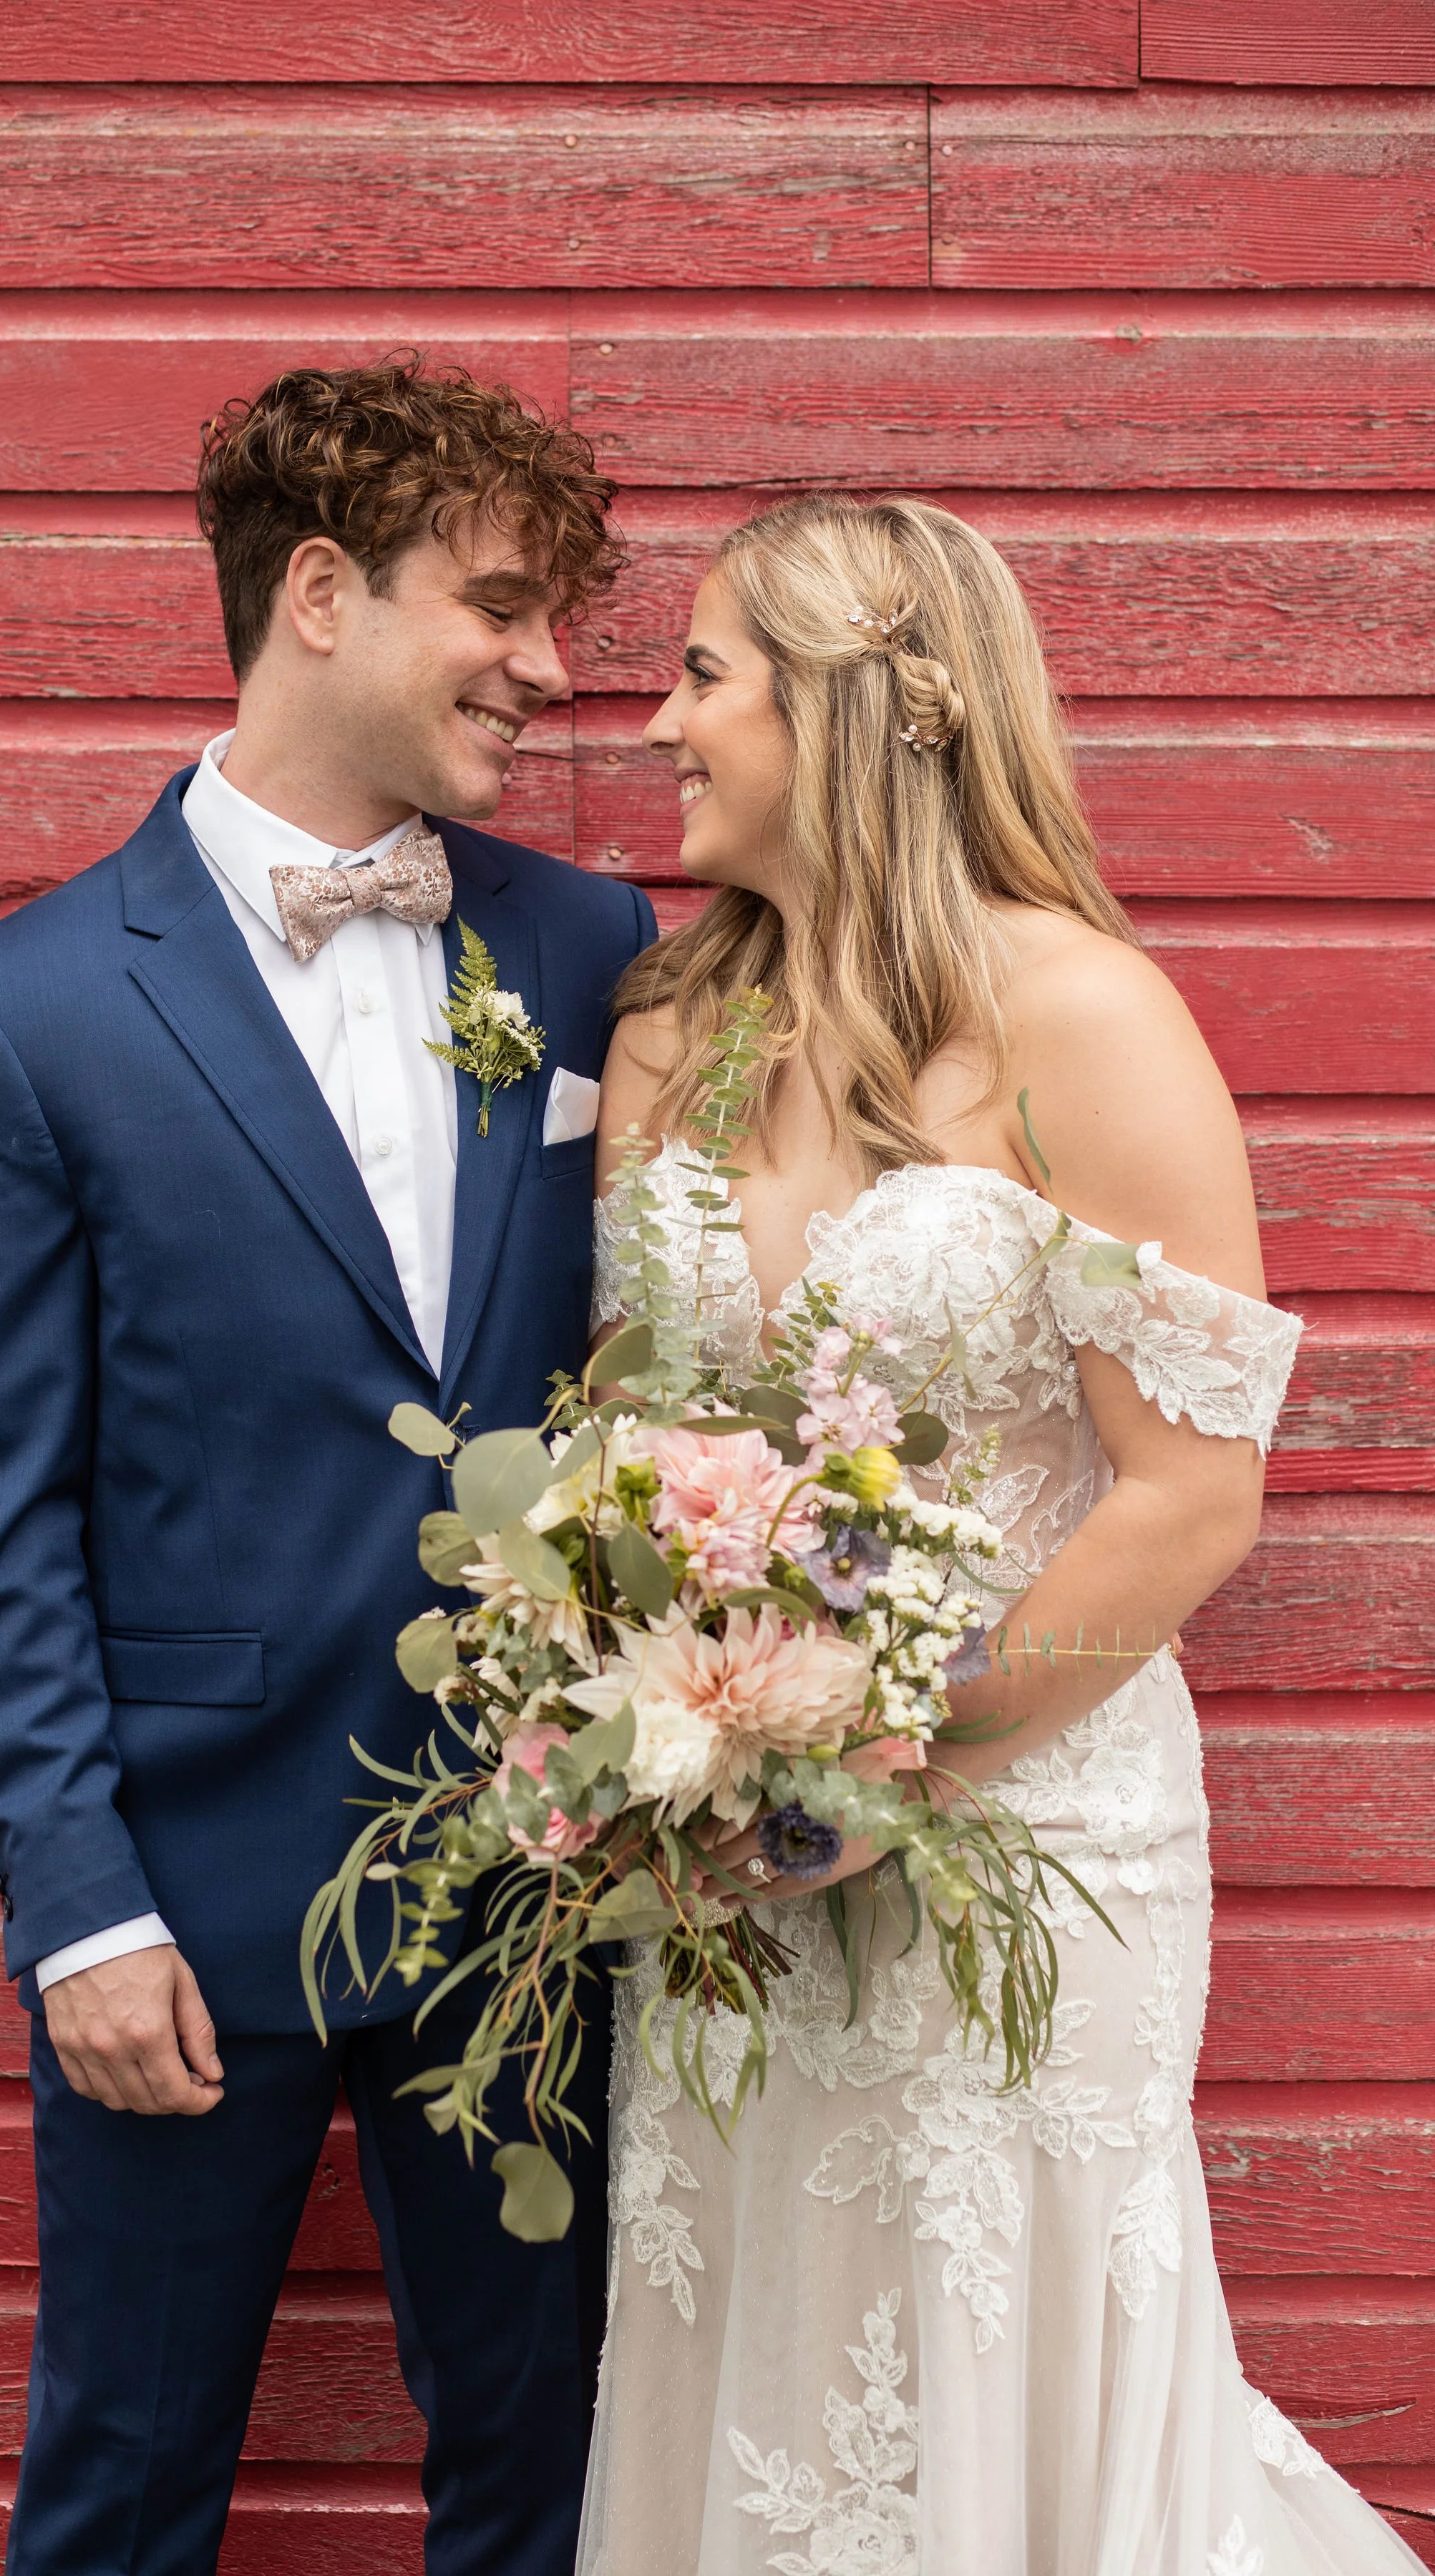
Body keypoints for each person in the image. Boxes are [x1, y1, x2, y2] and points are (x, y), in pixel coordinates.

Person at [578, 494, 1419, 2575]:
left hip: (1029, 1840)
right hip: (724, 1872)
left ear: (860, 710)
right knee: (757, 2362)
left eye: (702, 675)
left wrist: (907, 1761)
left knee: (990, 2374)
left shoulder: (1086, 1021)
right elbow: (623, 1435)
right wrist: (645, 1722)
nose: (659, 724)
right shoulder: (674, 1029)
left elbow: (1193, 1485)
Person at [0, 356, 656, 2576]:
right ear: (319, 592)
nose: (550, 666)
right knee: (127, 2491)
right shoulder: (19, 1012)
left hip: (533, 1881)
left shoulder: (590, 951)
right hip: (185, 1900)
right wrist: (77, 1906)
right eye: (501, 605)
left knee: (549, 2476)